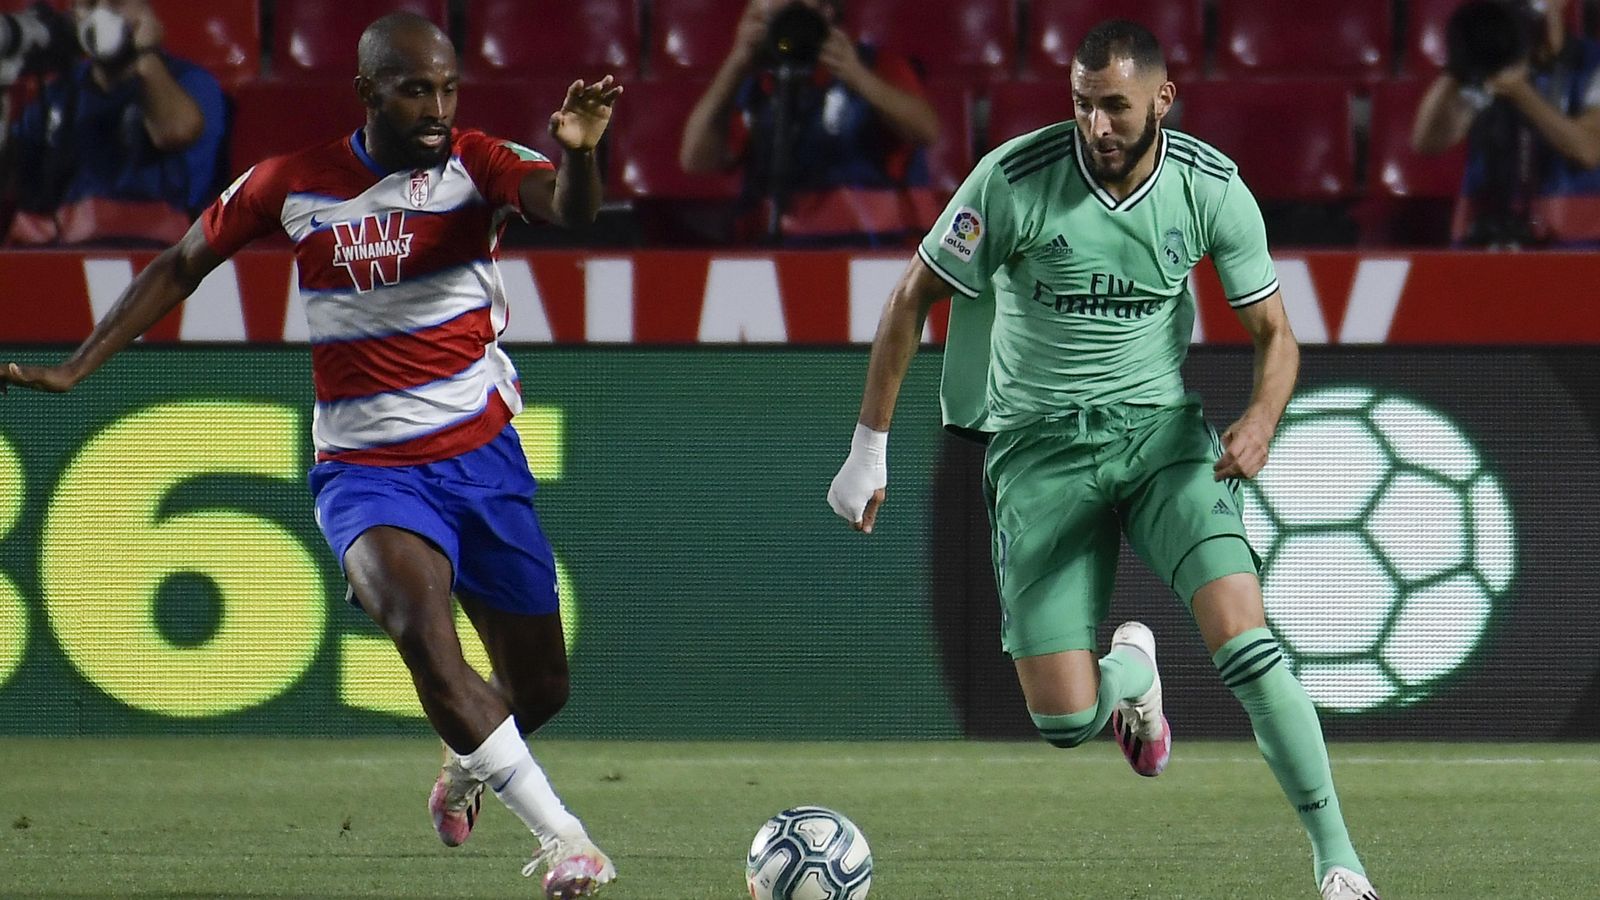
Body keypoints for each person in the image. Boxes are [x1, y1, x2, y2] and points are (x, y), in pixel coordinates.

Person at [1, 12, 621, 899]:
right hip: (366, 474)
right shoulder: (291, 184)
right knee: (420, 633)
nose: (438, 108)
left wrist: (585, 151)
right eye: (415, 91)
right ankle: (567, 841)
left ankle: (465, 759)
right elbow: (180, 263)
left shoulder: (480, 165)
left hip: (481, 457)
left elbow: (572, 209)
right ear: (367, 93)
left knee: (542, 688)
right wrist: (75, 366)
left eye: (448, 89)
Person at [826, 20, 1381, 900]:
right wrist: (868, 450)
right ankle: (1132, 675)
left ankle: (1339, 861)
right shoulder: (1012, 180)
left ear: (1163, 99)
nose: (1097, 127)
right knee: (1064, 720)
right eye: (1083, 106)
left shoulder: (1210, 190)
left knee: (1248, 640)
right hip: (1039, 453)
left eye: (1115, 107)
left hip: (1161, 440)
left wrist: (1264, 418)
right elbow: (911, 298)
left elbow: (1275, 333)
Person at [677, 0, 941, 246]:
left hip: (874, 246)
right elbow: (695, 160)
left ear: (828, 11)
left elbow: (926, 131)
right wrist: (735, 64)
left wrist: (856, 76)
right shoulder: (755, 86)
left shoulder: (875, 65)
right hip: (774, 249)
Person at [0, 0, 226, 246]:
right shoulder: (60, 92)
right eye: (90, 4)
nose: (102, 14)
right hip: (68, 249)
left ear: (145, 9)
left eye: (117, 3)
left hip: (160, 252)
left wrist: (147, 55)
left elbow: (174, 132)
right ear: (75, 15)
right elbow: (14, 176)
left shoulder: (190, 82)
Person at [1411, 0, 1600, 246]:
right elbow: (1428, 142)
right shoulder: (1490, 61)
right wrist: (1460, 64)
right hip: (1483, 247)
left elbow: (1588, 149)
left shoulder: (1593, 64)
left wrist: (1520, 93)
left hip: (1570, 255)